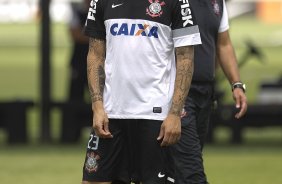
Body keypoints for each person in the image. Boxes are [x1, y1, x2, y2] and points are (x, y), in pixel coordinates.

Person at [81, 0, 202, 183]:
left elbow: (186, 58)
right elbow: (95, 54)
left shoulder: (178, 2)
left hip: (155, 116)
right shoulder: (100, 1)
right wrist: (97, 106)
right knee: (93, 180)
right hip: (111, 114)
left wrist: (175, 114)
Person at [172, 0, 248, 183]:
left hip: (205, 93)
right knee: (192, 170)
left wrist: (236, 84)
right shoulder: (173, 2)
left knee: (179, 168)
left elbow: (224, 44)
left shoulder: (218, 3)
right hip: (179, 93)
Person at [68, 0, 91, 101]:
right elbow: (75, 35)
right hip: (80, 61)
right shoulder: (77, 12)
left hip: (100, 62)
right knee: (75, 97)